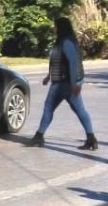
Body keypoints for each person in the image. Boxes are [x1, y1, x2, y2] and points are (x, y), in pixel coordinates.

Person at [29, 17, 96, 150]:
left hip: (63, 83)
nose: (54, 28)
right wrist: (48, 76)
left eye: (56, 26)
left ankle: (39, 136)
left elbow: (73, 63)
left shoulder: (66, 42)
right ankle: (91, 139)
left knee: (49, 107)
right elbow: (56, 61)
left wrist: (74, 83)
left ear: (61, 28)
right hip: (65, 82)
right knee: (80, 110)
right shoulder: (63, 41)